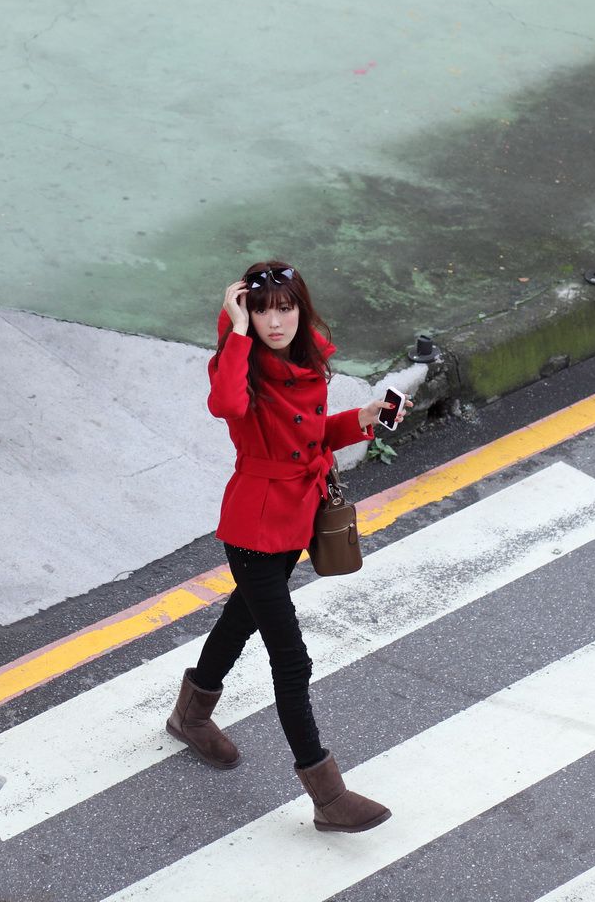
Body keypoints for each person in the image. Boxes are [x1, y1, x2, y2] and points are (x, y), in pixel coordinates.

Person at [164, 260, 407, 834]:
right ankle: (327, 796)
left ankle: (189, 715)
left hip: (293, 523)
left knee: (240, 618)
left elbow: (311, 438)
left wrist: (365, 420)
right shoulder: (241, 368)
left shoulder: (305, 364)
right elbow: (226, 405)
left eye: (287, 307)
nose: (277, 320)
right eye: (263, 309)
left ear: (301, 308)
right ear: (246, 313)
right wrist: (236, 333)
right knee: (291, 659)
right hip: (255, 529)